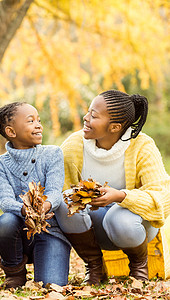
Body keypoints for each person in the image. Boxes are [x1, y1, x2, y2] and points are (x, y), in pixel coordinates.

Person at [55, 90, 170, 284]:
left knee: (119, 217)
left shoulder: (142, 146)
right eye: (88, 112)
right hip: (91, 229)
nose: (85, 118)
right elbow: (59, 190)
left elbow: (163, 197)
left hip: (135, 227)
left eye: (94, 115)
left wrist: (121, 196)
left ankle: (139, 267)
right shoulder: (74, 145)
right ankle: (94, 267)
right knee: (65, 201)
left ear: (115, 127)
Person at [0, 102, 71, 288]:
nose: (38, 125)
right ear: (11, 132)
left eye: (39, 120)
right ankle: (15, 270)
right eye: (31, 121)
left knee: (51, 285)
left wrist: (46, 206)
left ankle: (47, 258)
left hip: (50, 231)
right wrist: (27, 211)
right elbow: (5, 201)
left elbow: (54, 193)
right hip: (20, 230)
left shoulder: (52, 153)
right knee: (6, 222)